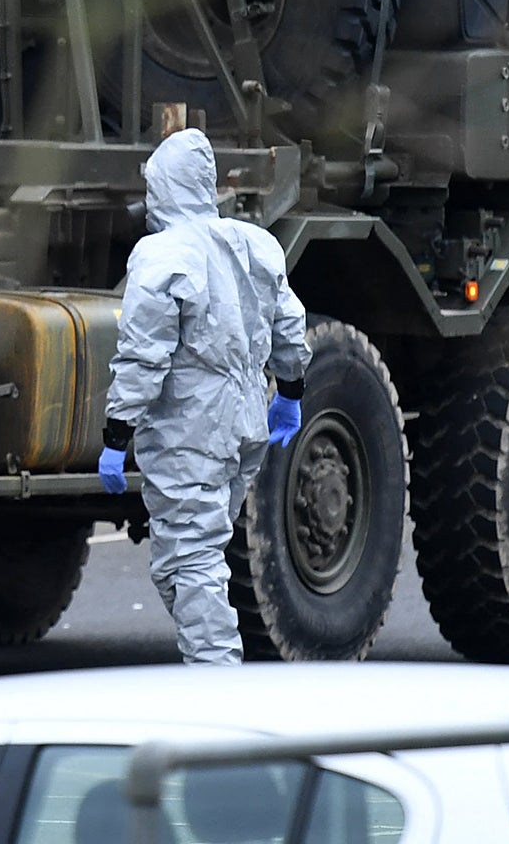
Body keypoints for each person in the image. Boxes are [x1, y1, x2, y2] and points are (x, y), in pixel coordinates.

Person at [97, 127, 310, 665]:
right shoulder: (254, 243)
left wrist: (117, 434)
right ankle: (212, 665)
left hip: (191, 428)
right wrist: (289, 392)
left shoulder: (162, 254)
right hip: (246, 421)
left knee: (188, 563)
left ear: (165, 188)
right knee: (195, 558)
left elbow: (144, 353)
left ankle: (217, 684)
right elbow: (290, 325)